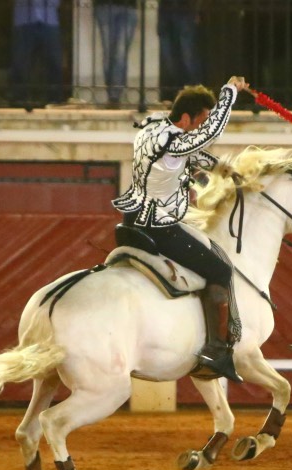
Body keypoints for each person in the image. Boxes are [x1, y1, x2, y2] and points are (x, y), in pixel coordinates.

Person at [112, 76, 251, 382]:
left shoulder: (153, 130)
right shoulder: (176, 140)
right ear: (186, 117)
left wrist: (220, 168)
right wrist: (229, 92)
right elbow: (208, 134)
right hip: (160, 228)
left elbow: (190, 154)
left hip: (132, 220)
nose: (200, 128)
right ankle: (217, 351)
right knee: (221, 271)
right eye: (198, 122)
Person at [11, 0, 65, 108]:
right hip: (24, 20)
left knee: (54, 61)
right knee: (20, 62)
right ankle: (19, 98)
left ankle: (54, 98)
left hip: (49, 20)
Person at [93, 0, 139, 108]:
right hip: (104, 6)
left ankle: (115, 96)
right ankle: (112, 94)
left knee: (120, 53)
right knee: (109, 53)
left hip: (128, 6)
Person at [158, 0, 203, 102]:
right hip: (166, 10)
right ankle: (174, 94)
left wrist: (197, 10)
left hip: (184, 9)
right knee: (169, 57)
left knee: (187, 55)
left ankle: (194, 94)